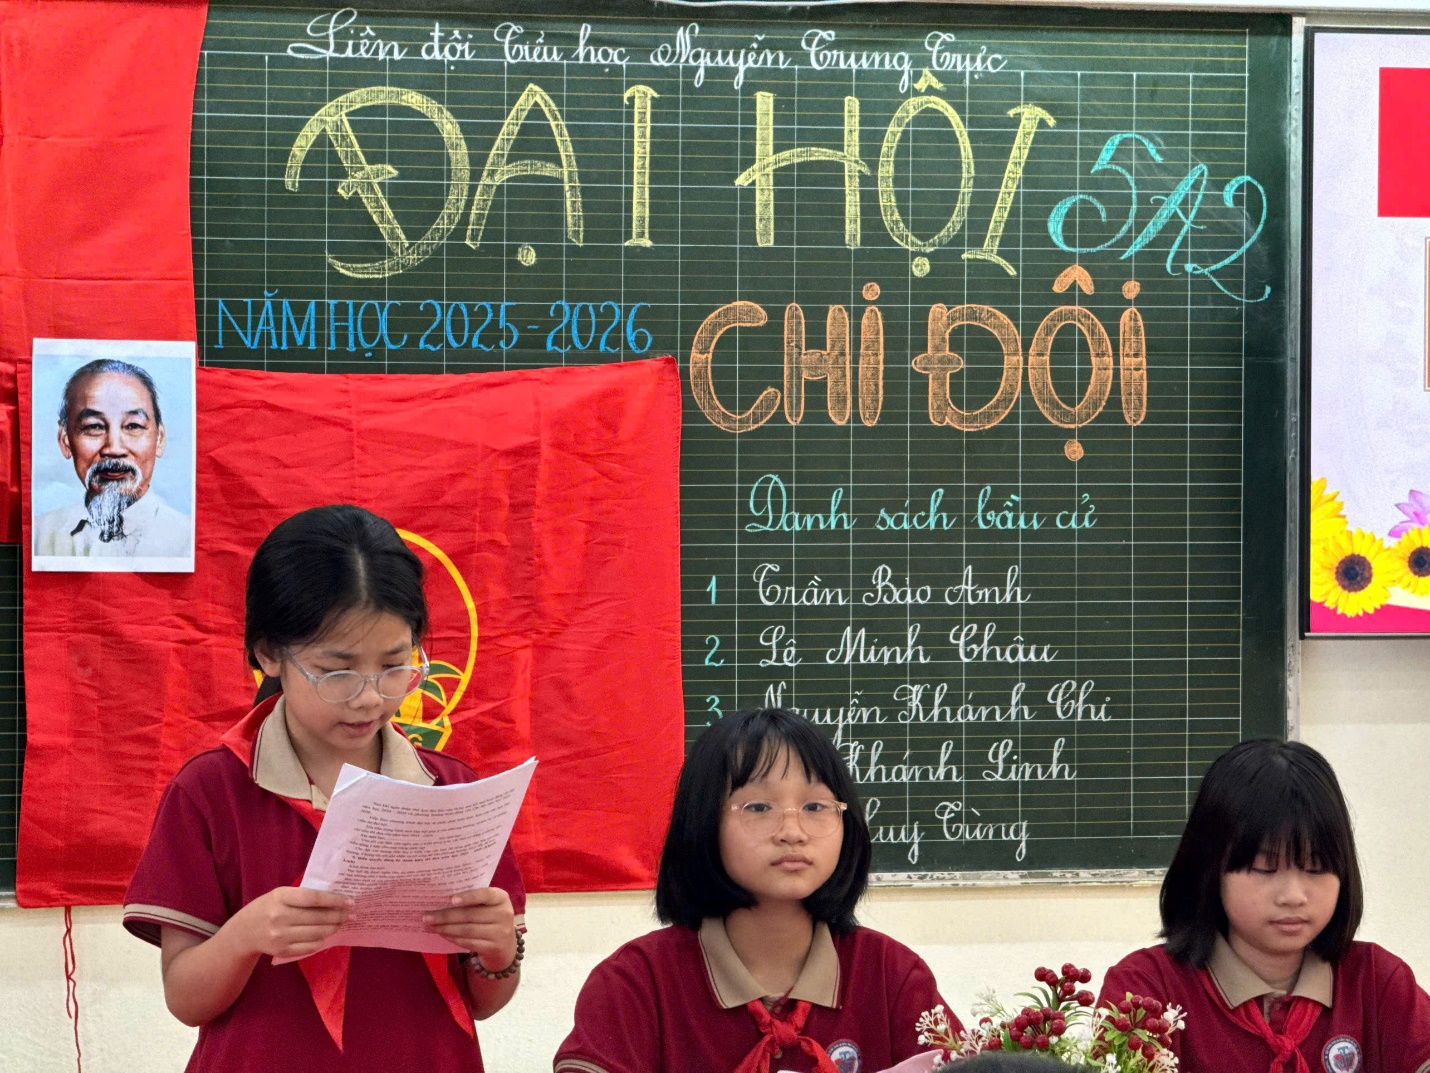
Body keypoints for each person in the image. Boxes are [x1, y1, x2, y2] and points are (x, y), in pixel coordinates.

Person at [123, 504, 525, 1072]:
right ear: (268, 653)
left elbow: (484, 1003)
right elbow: (186, 1000)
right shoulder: (212, 790)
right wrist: (246, 935)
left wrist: (499, 950)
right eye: (337, 671)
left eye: (394, 666)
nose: (369, 697)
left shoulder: (451, 791)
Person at [554, 707, 953, 1073]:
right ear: (704, 820)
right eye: (759, 808)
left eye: (815, 807)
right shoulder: (635, 982)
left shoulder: (891, 974)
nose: (793, 832)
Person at [1099, 739, 1430, 1073]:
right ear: (1211, 869)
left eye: (1316, 868)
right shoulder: (1147, 990)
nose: (1294, 895)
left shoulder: (1378, 983)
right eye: (1264, 867)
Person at [34, 357, 190, 558]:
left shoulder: (187, 542)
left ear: (159, 439)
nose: (114, 449)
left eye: (133, 426)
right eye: (94, 426)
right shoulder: (39, 537)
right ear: (65, 441)